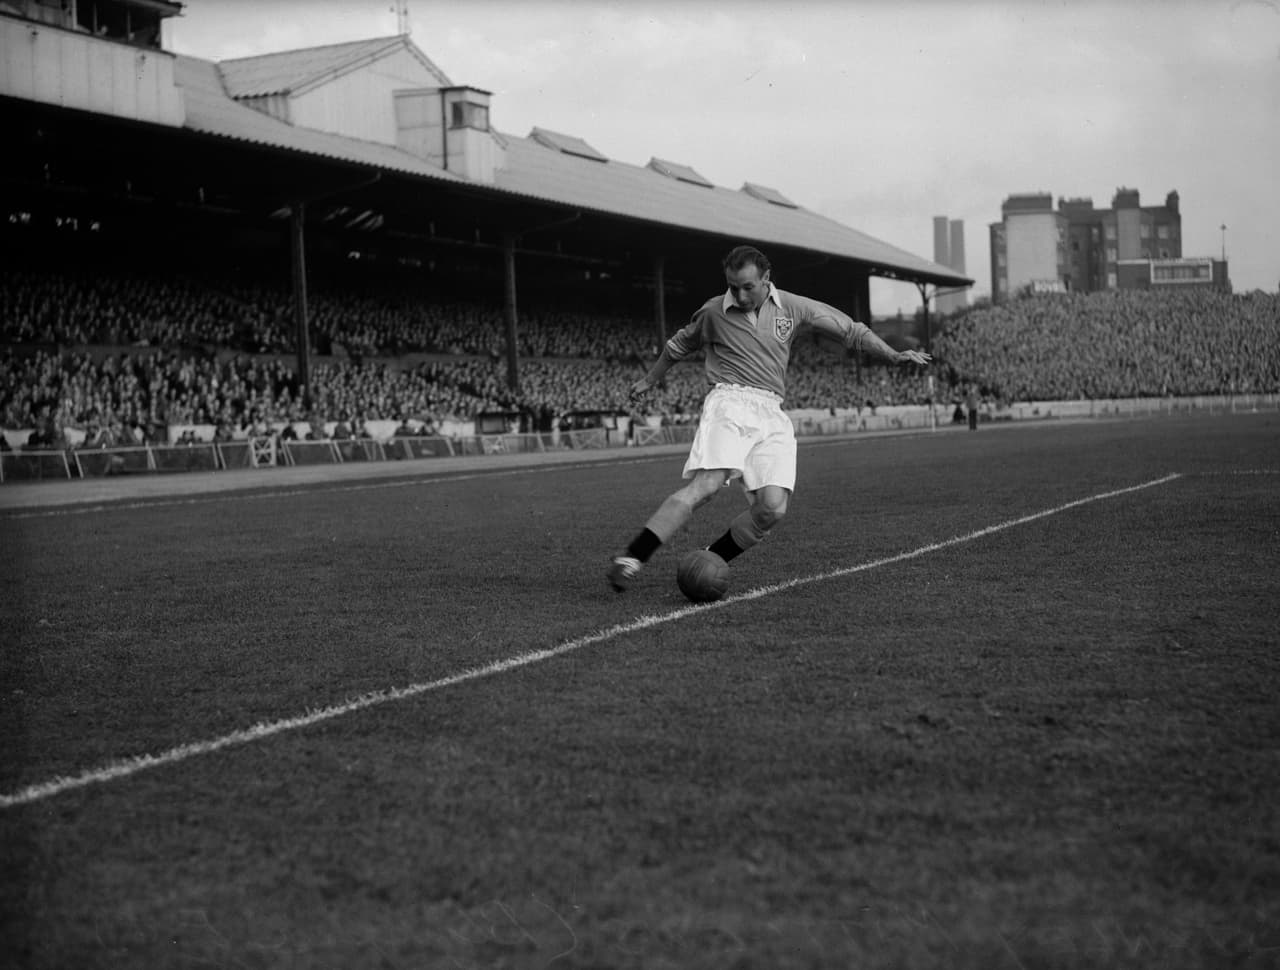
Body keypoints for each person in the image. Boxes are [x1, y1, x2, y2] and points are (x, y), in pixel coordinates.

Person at [607, 244, 931, 591]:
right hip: (729, 400)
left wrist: (893, 355)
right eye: (733, 286)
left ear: (766, 279)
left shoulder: (792, 307)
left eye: (748, 286)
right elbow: (677, 347)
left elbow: (851, 330)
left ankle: (709, 558)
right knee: (707, 485)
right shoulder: (713, 312)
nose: (740, 294)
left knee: (772, 509)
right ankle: (632, 558)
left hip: (772, 411)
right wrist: (648, 380)